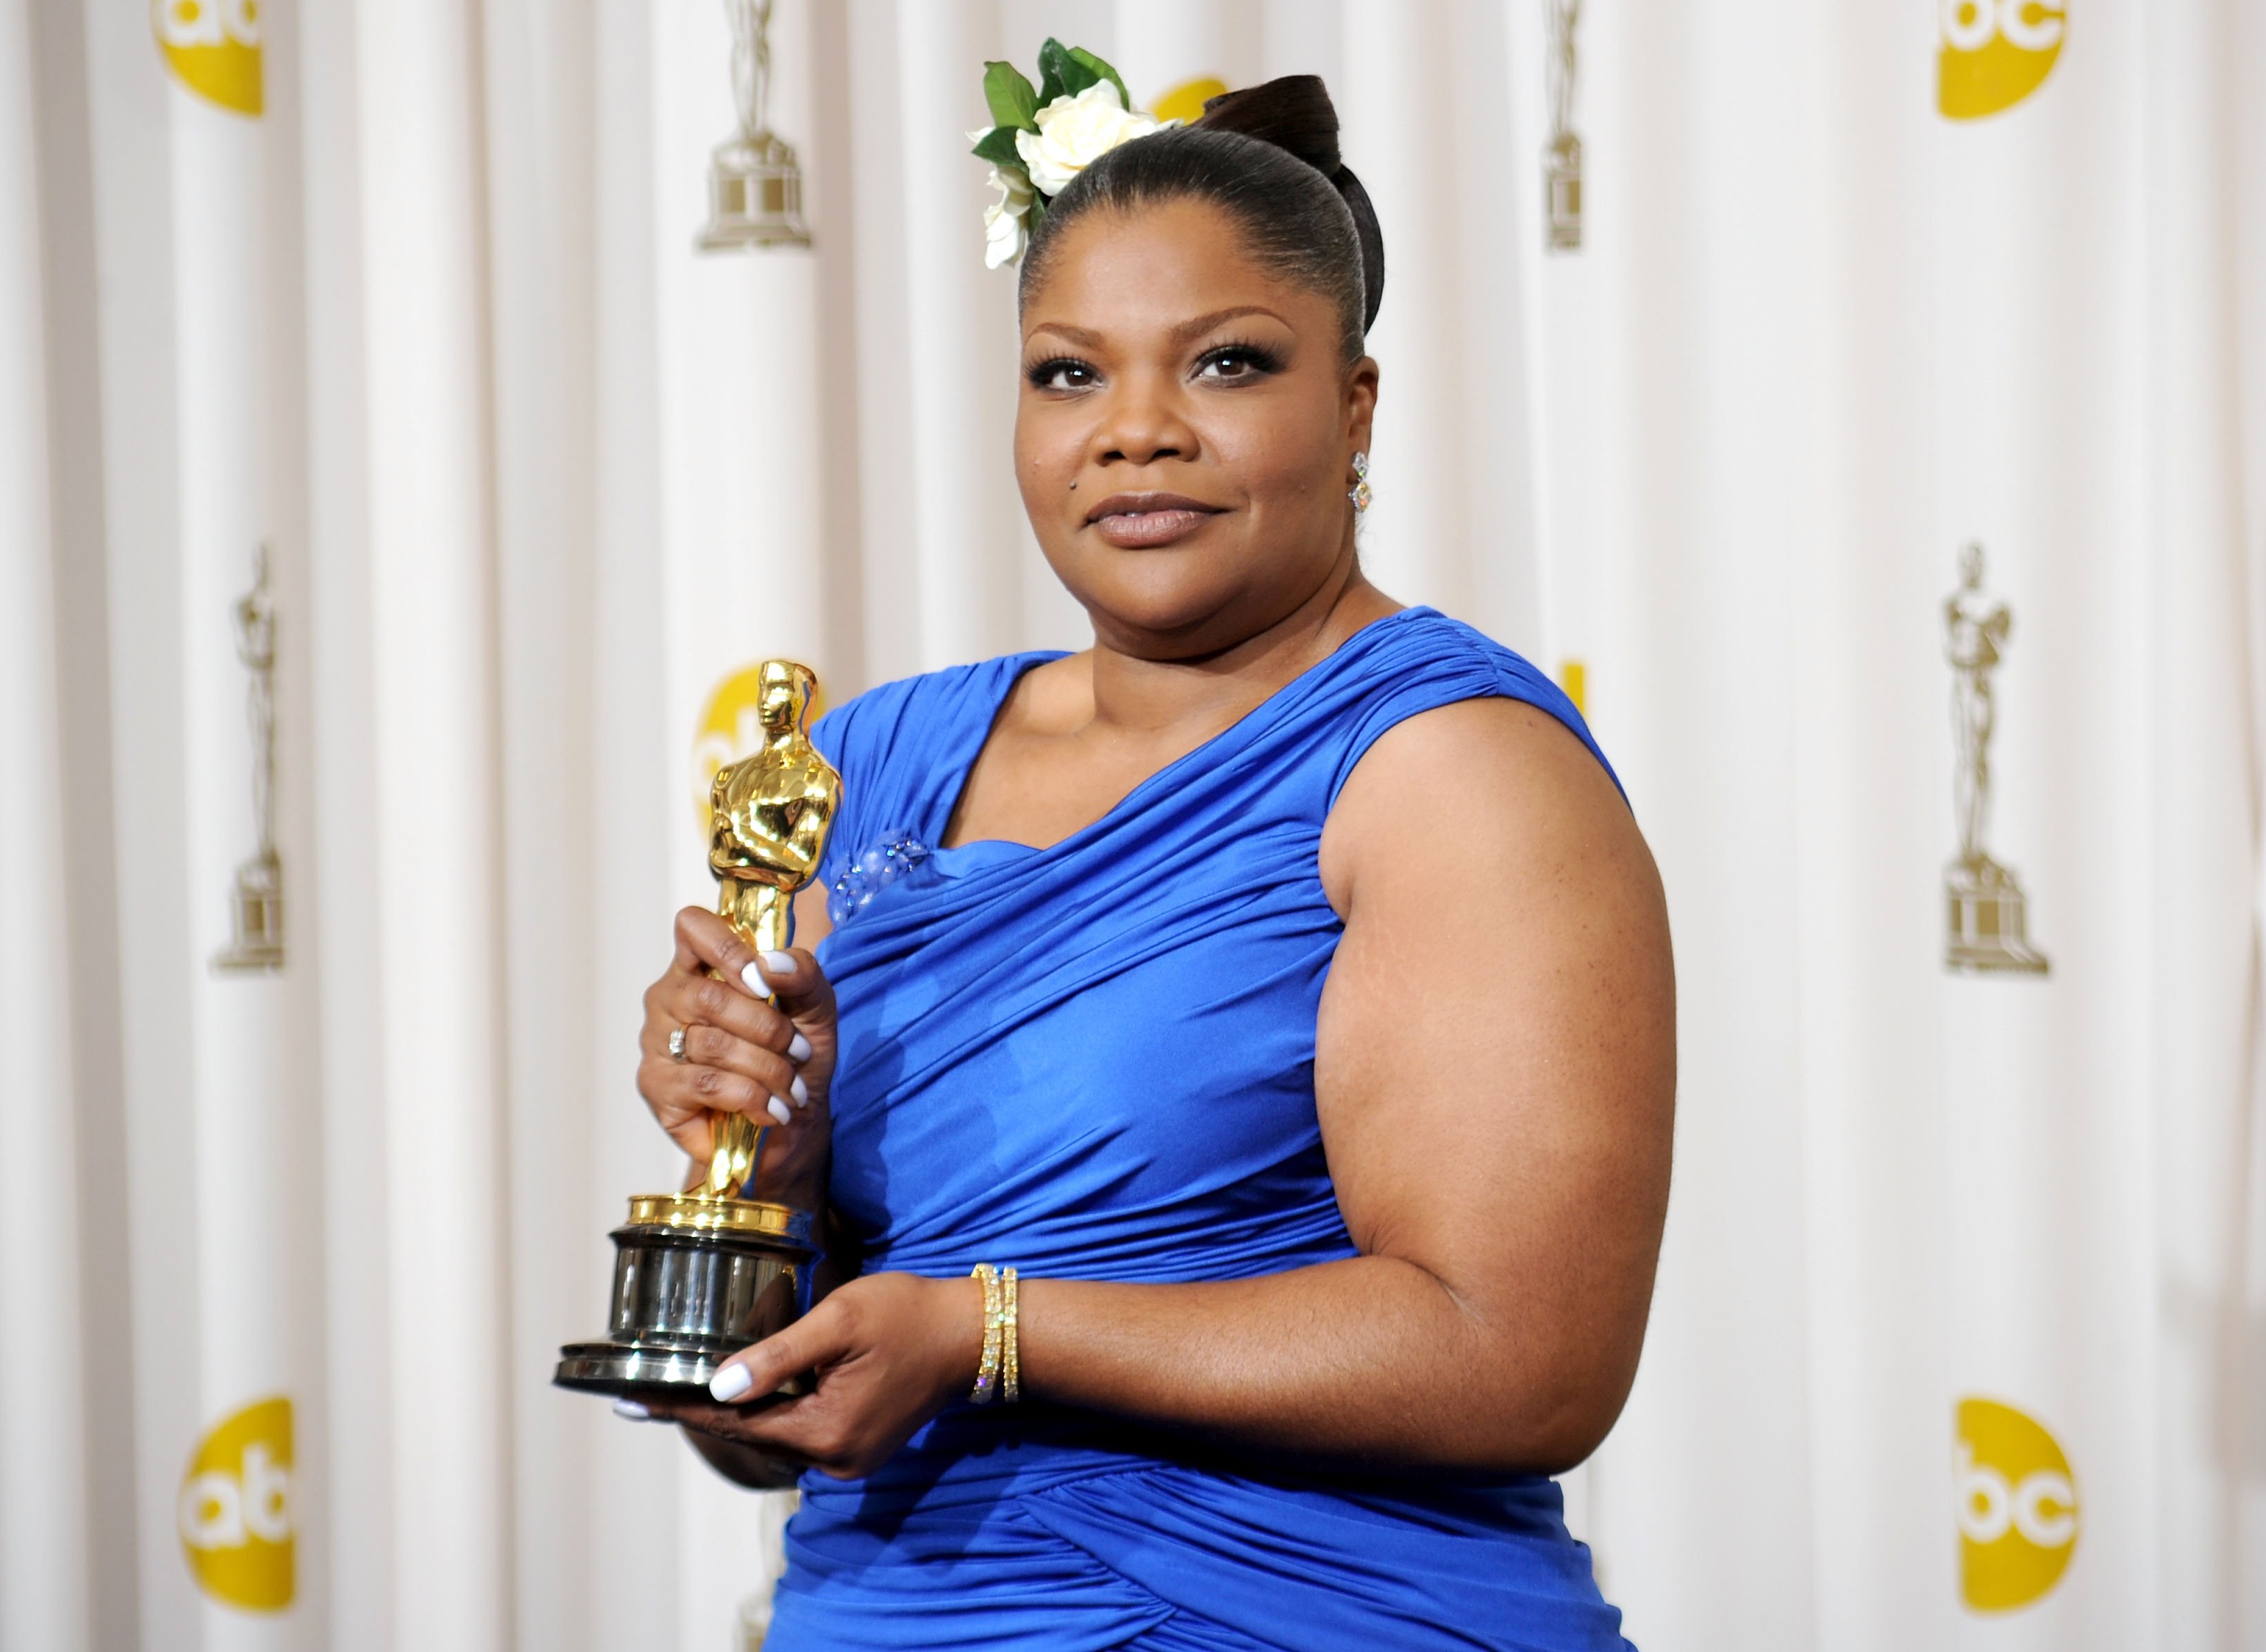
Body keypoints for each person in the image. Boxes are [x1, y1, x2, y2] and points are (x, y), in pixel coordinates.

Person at [630, 73, 1674, 1651]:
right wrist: (762, 1191)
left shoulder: (1447, 769)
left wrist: (983, 1332)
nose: (1133, 432)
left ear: (1354, 406)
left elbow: (1522, 1357)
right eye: (1068, 373)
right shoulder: (873, 759)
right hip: (885, 1612)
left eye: (1226, 364)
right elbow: (765, 1408)